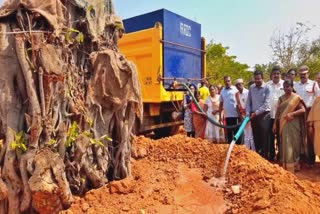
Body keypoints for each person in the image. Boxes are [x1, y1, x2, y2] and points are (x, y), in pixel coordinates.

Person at [273, 80, 306, 173]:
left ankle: (295, 165)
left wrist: (292, 114)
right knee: (285, 143)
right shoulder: (281, 98)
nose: (287, 88)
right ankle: (286, 165)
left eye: (288, 86)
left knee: (295, 144)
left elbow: (303, 110)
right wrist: (275, 123)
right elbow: (278, 112)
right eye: (285, 86)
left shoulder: (296, 98)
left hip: (294, 124)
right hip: (284, 124)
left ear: (292, 87)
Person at [294, 65, 319, 166]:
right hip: (299, 112)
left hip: (310, 111)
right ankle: (302, 157)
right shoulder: (296, 85)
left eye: (304, 74)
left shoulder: (314, 84)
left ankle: (311, 159)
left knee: (310, 136)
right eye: (301, 74)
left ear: (308, 73)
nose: (303, 76)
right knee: (299, 135)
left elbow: (318, 99)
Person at [246, 70, 271, 158]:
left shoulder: (267, 88)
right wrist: (248, 113)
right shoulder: (251, 88)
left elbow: (266, 104)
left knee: (264, 136)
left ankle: (265, 156)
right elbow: (248, 102)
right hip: (253, 116)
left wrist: (256, 113)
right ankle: (258, 156)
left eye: (259, 79)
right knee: (256, 136)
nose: (257, 81)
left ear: (262, 78)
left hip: (264, 116)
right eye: (255, 79)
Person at [267, 66, 284, 161]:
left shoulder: (284, 84)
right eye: (274, 74)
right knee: (271, 136)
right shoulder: (267, 85)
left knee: (281, 136)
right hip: (270, 116)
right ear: (271, 75)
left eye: (278, 73)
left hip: (281, 116)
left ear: (280, 74)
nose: (276, 75)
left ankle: (281, 155)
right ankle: (272, 155)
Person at [219, 76, 240, 144]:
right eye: (226, 81)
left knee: (237, 133)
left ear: (231, 81)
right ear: (224, 82)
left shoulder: (235, 89)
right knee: (229, 133)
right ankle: (230, 149)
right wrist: (220, 116)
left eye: (229, 81)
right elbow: (221, 104)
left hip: (236, 115)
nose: (227, 82)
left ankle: (238, 148)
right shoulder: (222, 91)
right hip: (227, 116)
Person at [235, 79, 255, 150]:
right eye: (237, 85)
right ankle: (247, 150)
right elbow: (237, 106)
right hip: (243, 116)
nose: (239, 86)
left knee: (251, 133)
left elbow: (251, 104)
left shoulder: (248, 92)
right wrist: (240, 117)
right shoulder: (236, 94)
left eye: (240, 84)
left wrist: (249, 115)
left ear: (243, 84)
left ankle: (253, 150)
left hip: (249, 115)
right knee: (246, 134)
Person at [307, 95, 320, 159]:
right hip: (317, 126)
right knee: (318, 145)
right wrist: (310, 125)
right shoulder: (317, 99)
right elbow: (312, 113)